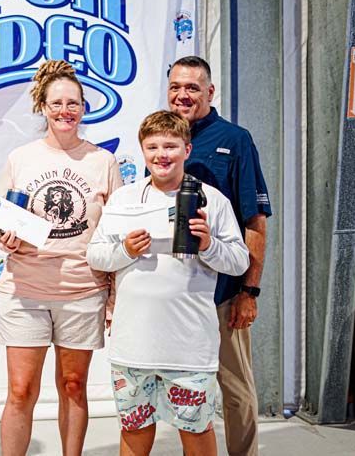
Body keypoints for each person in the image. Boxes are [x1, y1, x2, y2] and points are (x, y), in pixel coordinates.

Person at [87, 110, 249, 455]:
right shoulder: (123, 199)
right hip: (133, 348)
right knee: (134, 431)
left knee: (197, 432)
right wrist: (125, 250)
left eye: (171, 146)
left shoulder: (212, 200)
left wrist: (209, 245)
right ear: (143, 151)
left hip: (189, 347)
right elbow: (96, 256)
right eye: (153, 146)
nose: (162, 154)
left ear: (187, 150)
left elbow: (239, 262)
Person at [0, 60, 122, 456]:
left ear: (84, 107)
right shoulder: (21, 157)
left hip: (83, 291)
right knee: (20, 389)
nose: (65, 111)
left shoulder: (103, 161)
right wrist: (7, 239)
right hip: (25, 289)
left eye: (73, 103)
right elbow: (1, 225)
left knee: (73, 385)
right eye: (57, 103)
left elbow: (113, 233)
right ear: (43, 108)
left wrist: (114, 297)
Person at [167, 56, 272, 456]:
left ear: (210, 92)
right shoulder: (162, 137)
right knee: (185, 390)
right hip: (178, 293)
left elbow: (256, 222)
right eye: (176, 86)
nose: (183, 95)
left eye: (193, 87)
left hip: (224, 292)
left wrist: (250, 291)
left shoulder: (236, 139)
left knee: (235, 388)